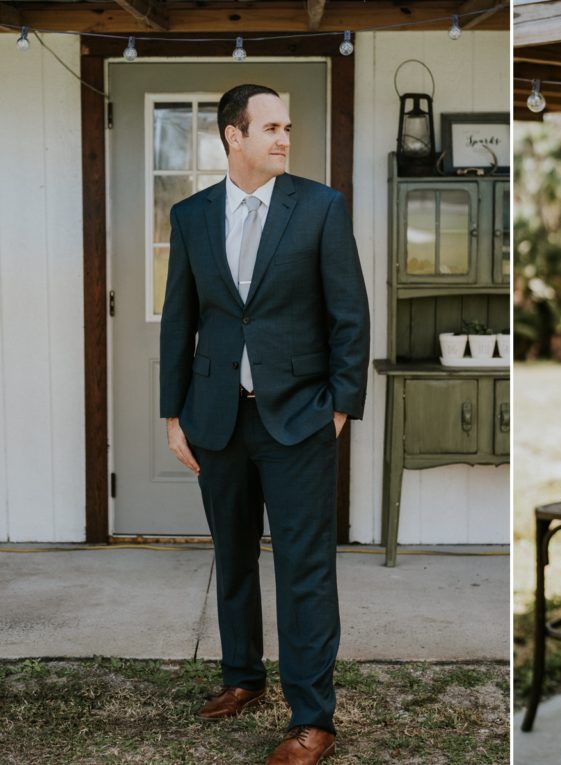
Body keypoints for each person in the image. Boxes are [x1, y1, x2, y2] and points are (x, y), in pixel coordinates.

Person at [160, 83, 369, 765]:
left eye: (288, 126)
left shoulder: (320, 206)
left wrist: (339, 406)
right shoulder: (191, 215)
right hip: (216, 416)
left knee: (306, 569)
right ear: (233, 136)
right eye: (271, 127)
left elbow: (350, 314)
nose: (284, 138)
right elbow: (181, 323)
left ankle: (314, 718)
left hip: (300, 417)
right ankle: (242, 676)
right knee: (234, 555)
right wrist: (173, 414)